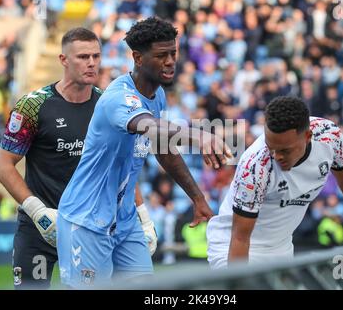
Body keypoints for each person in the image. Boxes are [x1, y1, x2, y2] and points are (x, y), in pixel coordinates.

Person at [57, 17, 232, 289]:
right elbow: (148, 125)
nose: (171, 61)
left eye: (173, 53)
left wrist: (197, 197)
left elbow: (163, 148)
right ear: (138, 58)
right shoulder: (118, 97)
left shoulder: (157, 94)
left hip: (125, 222)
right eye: (161, 55)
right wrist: (197, 134)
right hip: (87, 220)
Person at [206, 96, 343, 269]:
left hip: (281, 248)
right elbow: (240, 238)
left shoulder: (329, 136)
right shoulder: (255, 165)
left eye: (285, 150)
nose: (276, 156)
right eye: (271, 148)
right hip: (232, 246)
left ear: (307, 136)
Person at [0, 28, 105, 289]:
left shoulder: (106, 105)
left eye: (96, 56)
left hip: (87, 228)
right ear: (63, 60)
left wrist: (140, 215)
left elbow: (120, 165)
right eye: (83, 56)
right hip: (39, 227)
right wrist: (38, 211)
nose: (91, 63)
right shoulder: (32, 106)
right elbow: (3, 165)